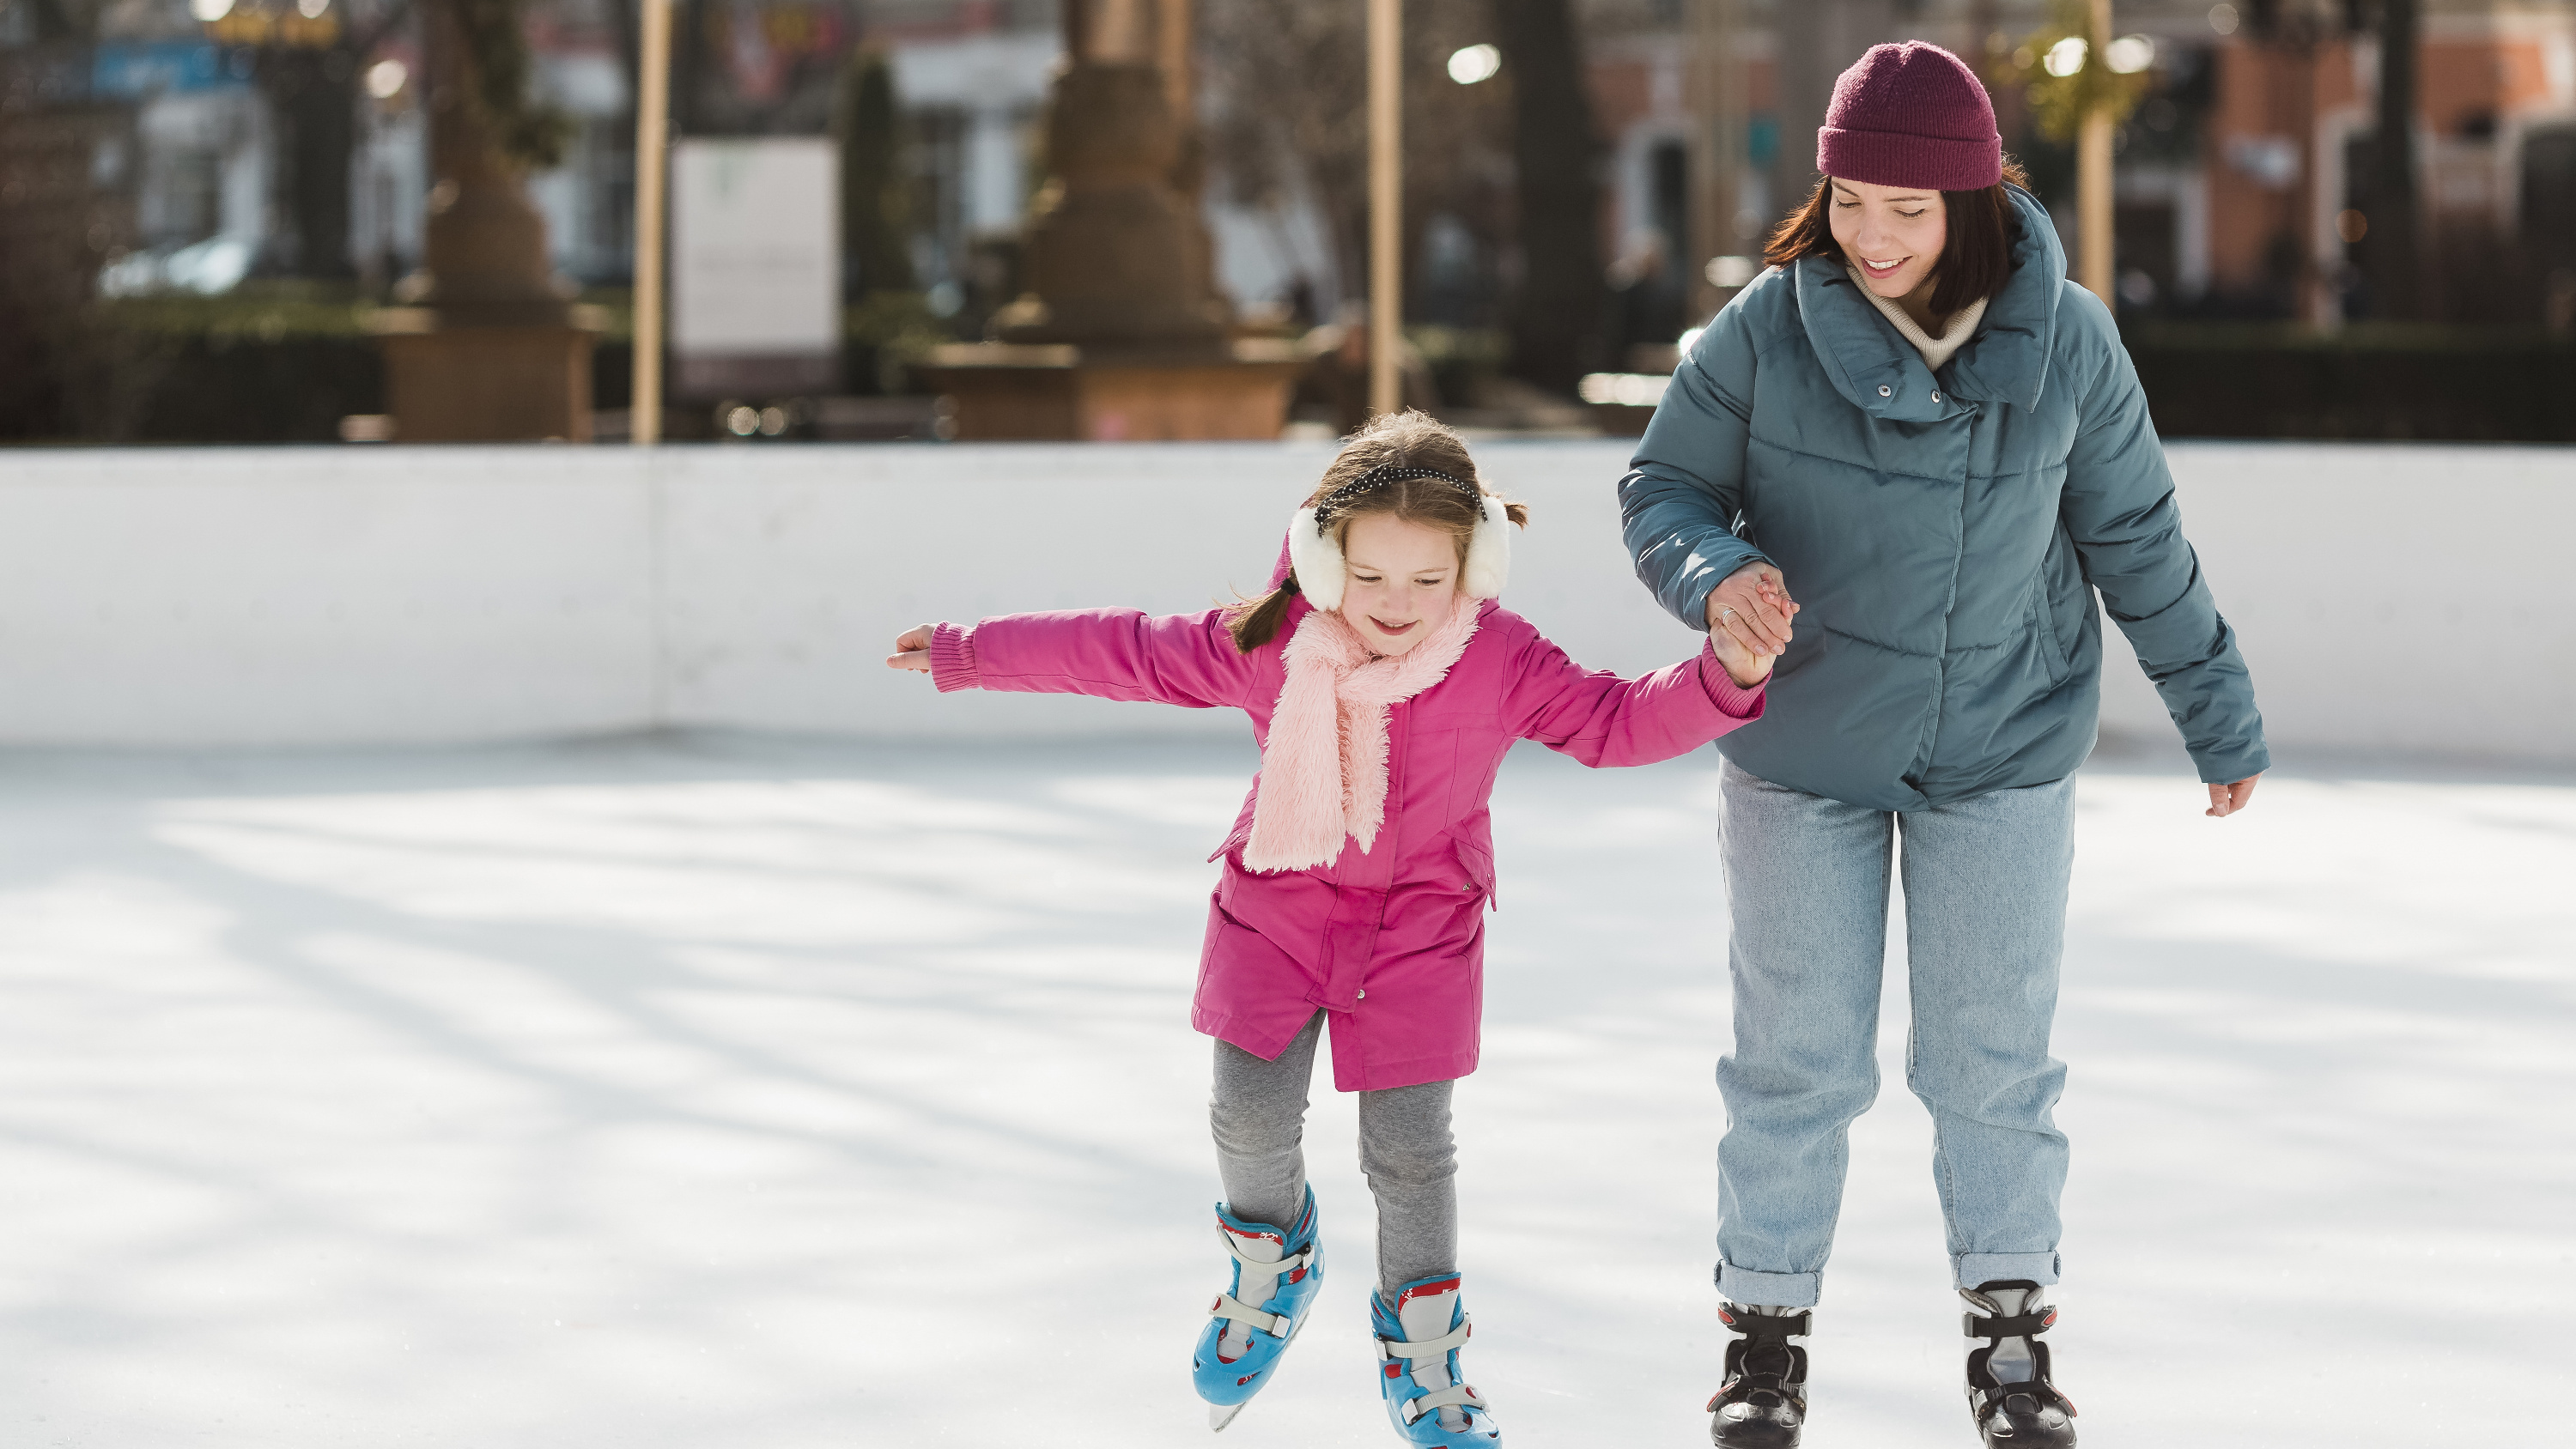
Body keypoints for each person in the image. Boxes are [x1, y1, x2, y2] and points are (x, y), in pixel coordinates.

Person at [887, 411, 1777, 1446]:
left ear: (1472, 568)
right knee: (1249, 1117)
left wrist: (1730, 678)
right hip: (1276, 905)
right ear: (1324, 557)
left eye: (1427, 580)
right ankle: (1273, 1261)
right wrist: (969, 652)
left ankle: (1428, 1356)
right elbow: (1125, 650)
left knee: (1411, 1151)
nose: (1397, 605)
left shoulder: (1499, 658)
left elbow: (1615, 720)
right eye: (1371, 576)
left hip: (1422, 928)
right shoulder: (1272, 642)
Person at [1616, 42, 2268, 1449]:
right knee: (1794, 1063)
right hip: (1804, 752)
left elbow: (2135, 537)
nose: (1874, 233)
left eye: (1907, 206)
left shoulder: (2071, 335)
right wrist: (1713, 571)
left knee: (1992, 1063)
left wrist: (2215, 704)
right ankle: (1766, 1338)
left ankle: (2012, 1335)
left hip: (2004, 747)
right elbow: (1664, 482)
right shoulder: (1769, 327)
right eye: (1850, 199)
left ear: (1972, 199)